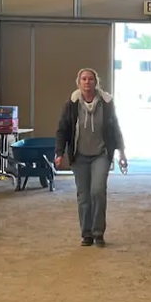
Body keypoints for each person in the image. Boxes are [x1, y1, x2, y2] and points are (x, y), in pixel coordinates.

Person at [54, 68, 128, 247]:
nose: (87, 82)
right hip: (79, 156)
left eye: (91, 79)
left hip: (101, 155)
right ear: (79, 83)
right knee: (84, 196)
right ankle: (86, 234)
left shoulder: (106, 103)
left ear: (96, 82)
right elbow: (62, 129)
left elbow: (115, 128)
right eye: (84, 79)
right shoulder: (71, 104)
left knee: (98, 191)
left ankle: (98, 233)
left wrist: (121, 152)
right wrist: (59, 152)